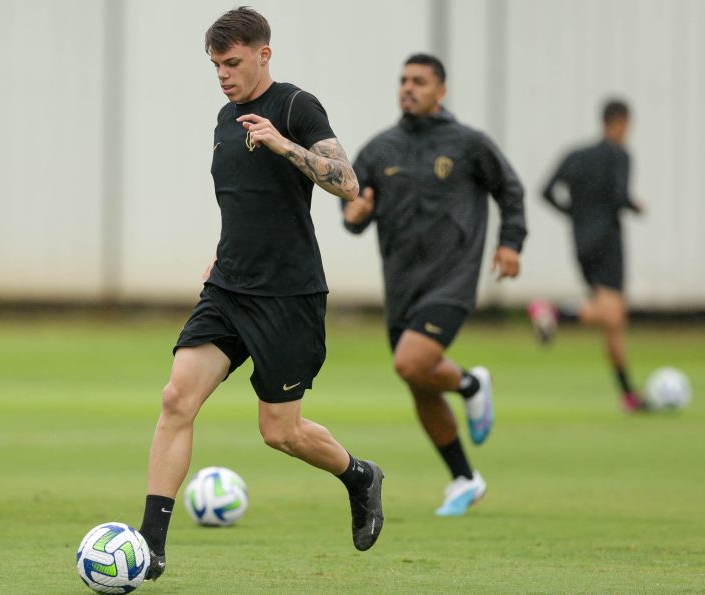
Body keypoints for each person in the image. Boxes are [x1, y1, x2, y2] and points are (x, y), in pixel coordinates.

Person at [138, 7, 384, 581]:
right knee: (177, 398)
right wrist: (225, 251)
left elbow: (347, 183)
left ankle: (358, 476)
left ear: (263, 54)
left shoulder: (295, 106)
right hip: (229, 287)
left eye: (233, 62)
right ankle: (151, 545)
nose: (223, 75)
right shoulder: (225, 118)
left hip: (288, 296)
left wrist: (284, 146)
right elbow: (244, 201)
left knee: (280, 431)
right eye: (216, 65)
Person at [342, 54, 527, 517]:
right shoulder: (379, 150)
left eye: (419, 81)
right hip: (402, 284)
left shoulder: (468, 144)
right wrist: (354, 216)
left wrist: (510, 243)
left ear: (440, 91)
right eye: (403, 80)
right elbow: (352, 206)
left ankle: (468, 384)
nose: (408, 87)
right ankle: (465, 478)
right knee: (420, 384)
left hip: (452, 279)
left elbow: (510, 189)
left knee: (411, 362)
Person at [529, 99, 645, 411]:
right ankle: (552, 312)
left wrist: (573, 214)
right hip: (608, 240)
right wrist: (635, 206)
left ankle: (628, 395)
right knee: (611, 314)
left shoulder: (576, 155)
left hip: (581, 241)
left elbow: (545, 190)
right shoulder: (619, 155)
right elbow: (620, 196)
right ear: (619, 123)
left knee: (614, 321)